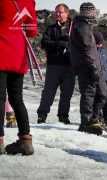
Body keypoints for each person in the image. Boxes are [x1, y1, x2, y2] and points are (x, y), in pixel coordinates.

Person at [0, 0, 38, 155]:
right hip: (18, 56)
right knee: (17, 98)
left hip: (1, 53)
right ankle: (25, 141)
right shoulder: (29, 2)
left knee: (0, 99)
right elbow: (32, 31)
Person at [70, 2, 107, 135]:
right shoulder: (81, 26)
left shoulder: (86, 25)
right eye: (91, 12)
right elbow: (87, 49)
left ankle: (94, 119)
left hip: (94, 66)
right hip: (87, 67)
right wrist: (93, 67)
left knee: (102, 93)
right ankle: (85, 123)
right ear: (86, 13)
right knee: (88, 93)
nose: (93, 14)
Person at [37, 3, 75, 124]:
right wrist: (59, 43)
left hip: (69, 66)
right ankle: (42, 115)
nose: (57, 14)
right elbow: (44, 43)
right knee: (48, 91)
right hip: (54, 65)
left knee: (67, 93)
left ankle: (63, 116)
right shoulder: (51, 28)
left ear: (67, 13)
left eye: (60, 12)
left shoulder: (73, 28)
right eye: (56, 12)